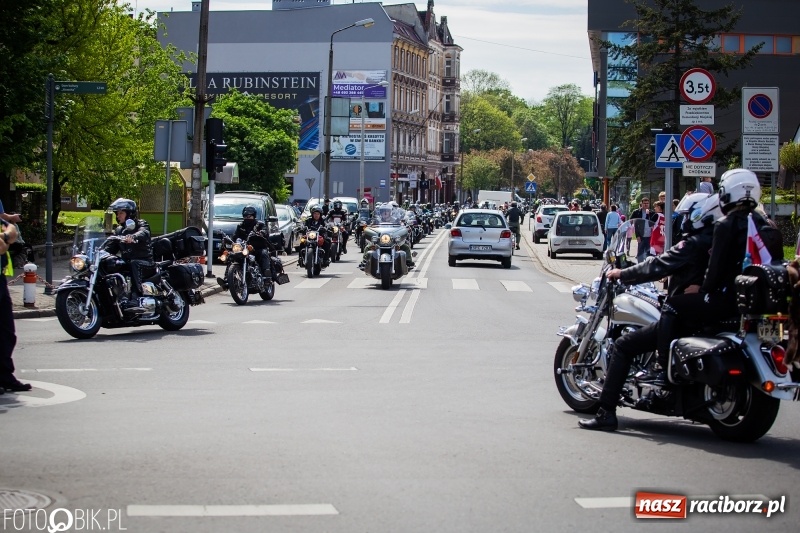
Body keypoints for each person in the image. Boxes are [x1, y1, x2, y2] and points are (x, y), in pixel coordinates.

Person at [578, 192, 720, 431]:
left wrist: (622, 273)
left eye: (687, 215)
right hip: (711, 313)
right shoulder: (721, 240)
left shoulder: (694, 243)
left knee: (624, 345)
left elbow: (658, 264)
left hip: (687, 317)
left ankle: (607, 413)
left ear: (700, 215)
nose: (683, 220)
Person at [653, 168, 783, 381]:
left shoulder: (726, 224)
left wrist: (702, 289)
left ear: (727, 193)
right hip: (759, 300)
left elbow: (716, 267)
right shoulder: (767, 225)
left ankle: (662, 365)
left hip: (728, 298)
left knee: (673, 305)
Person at [100, 198, 153, 313]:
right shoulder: (119, 230)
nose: (118, 216)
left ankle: (136, 296)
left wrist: (133, 237)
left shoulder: (141, 224)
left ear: (130, 214)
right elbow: (110, 248)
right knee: (110, 263)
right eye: (117, 213)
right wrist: (99, 253)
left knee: (134, 263)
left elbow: (144, 232)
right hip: (127, 264)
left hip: (145, 263)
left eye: (121, 213)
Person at [0, 220, 31, 393]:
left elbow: (13, 232)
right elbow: (2, 247)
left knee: (6, 331)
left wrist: (5, 236)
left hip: (0, 279)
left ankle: (5, 376)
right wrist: (5, 238)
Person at [234, 205, 273, 280]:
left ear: (254, 216)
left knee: (264, 253)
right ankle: (227, 278)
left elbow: (265, 231)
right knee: (232, 256)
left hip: (258, 247)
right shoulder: (241, 226)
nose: (247, 218)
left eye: (249, 216)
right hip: (244, 248)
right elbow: (235, 236)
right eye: (246, 216)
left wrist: (261, 232)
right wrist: (229, 241)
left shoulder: (260, 224)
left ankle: (267, 276)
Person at [630, 197, 657, 262]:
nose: (646, 205)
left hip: (650, 235)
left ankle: (647, 267)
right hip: (641, 235)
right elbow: (632, 221)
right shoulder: (636, 212)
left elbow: (654, 223)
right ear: (641, 204)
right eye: (644, 203)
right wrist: (637, 235)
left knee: (649, 253)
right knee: (640, 253)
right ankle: (639, 266)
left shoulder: (652, 212)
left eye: (647, 203)